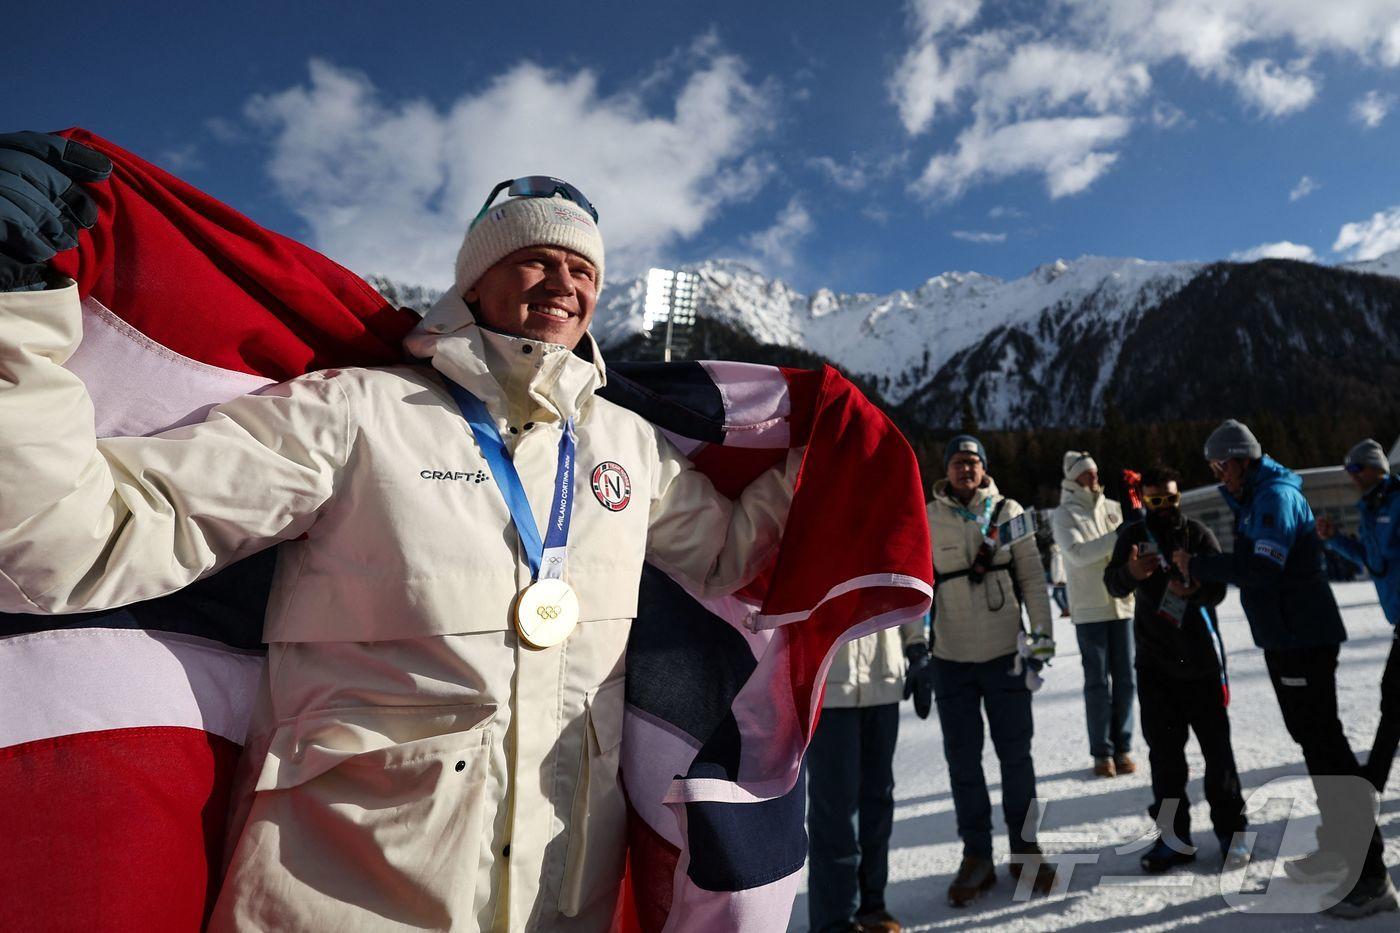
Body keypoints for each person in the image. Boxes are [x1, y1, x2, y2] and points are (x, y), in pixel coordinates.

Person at [0, 134, 799, 931]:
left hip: (561, 907)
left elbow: (731, 555)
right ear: (474, 283)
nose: (563, 282)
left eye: (583, 269)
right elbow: (84, 534)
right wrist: (13, 314)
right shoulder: (355, 411)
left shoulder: (626, 447)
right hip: (336, 904)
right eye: (535, 259)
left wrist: (829, 461)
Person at [1175, 420, 1396, 919]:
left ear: (1243, 460)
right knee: (1316, 745)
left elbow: (1262, 568)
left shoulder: (1273, 497)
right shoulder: (1256, 497)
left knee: (1327, 747)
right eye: (1212, 467)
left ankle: (1371, 874)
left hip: (1303, 639)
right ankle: (1340, 849)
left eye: (1222, 465)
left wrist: (1199, 565)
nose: (1218, 476)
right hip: (1287, 638)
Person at [904, 435, 1057, 907]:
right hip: (950, 661)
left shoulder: (1010, 512)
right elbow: (915, 584)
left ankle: (1026, 850)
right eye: (956, 463)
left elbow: (1032, 575)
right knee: (963, 763)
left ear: (984, 468)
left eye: (972, 462)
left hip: (1005, 656)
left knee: (1017, 758)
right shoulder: (926, 516)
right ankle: (977, 857)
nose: (964, 469)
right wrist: (916, 650)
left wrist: (1043, 636)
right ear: (945, 471)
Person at [1104, 465, 1249, 873]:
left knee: (1218, 755)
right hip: (1155, 669)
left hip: (1201, 664)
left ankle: (1231, 834)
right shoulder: (1133, 537)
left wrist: (1197, 588)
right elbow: (1112, 583)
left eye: (1170, 498)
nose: (1164, 507)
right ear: (1144, 500)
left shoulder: (1198, 534)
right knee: (1165, 760)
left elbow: (1221, 584)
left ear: (1179, 496)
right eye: (1155, 500)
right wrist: (1130, 573)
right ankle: (1173, 840)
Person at [807, 618, 926, 933]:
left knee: (878, 799)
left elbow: (908, 583)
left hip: (882, 676)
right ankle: (833, 920)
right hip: (830, 682)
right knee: (834, 808)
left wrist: (917, 648)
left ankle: (872, 906)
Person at [1317, 439, 1400, 792]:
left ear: (1374, 468)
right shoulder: (1370, 506)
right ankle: (1374, 778)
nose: (1350, 476)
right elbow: (1372, 558)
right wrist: (1334, 539)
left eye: (1355, 469)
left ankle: (1374, 779)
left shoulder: (1396, 502)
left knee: (1393, 695)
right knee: (1393, 696)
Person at [1051, 450, 1136, 778]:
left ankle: (1124, 746)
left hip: (1122, 605)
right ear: (1073, 478)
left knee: (1126, 680)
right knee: (1098, 683)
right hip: (1089, 610)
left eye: (1095, 471)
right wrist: (1119, 536)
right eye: (1086, 473)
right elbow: (1078, 553)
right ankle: (1102, 752)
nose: (1094, 477)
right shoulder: (1064, 515)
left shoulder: (1115, 508)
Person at [1048, 541, 1070, 618]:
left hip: (1060, 580)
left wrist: (1056, 580)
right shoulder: (1061, 554)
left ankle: (1065, 610)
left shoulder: (1057, 555)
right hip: (1064, 578)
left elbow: (1058, 569)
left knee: (1056, 595)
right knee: (1065, 596)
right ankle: (1067, 610)